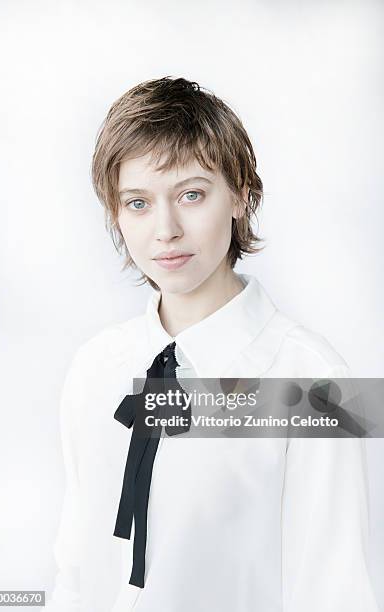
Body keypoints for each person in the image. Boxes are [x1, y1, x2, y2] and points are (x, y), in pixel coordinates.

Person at [44, 77, 378, 612]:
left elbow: (336, 592)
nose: (166, 229)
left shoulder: (316, 381)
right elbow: (77, 572)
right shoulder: (94, 367)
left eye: (191, 195)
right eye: (137, 203)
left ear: (242, 196)